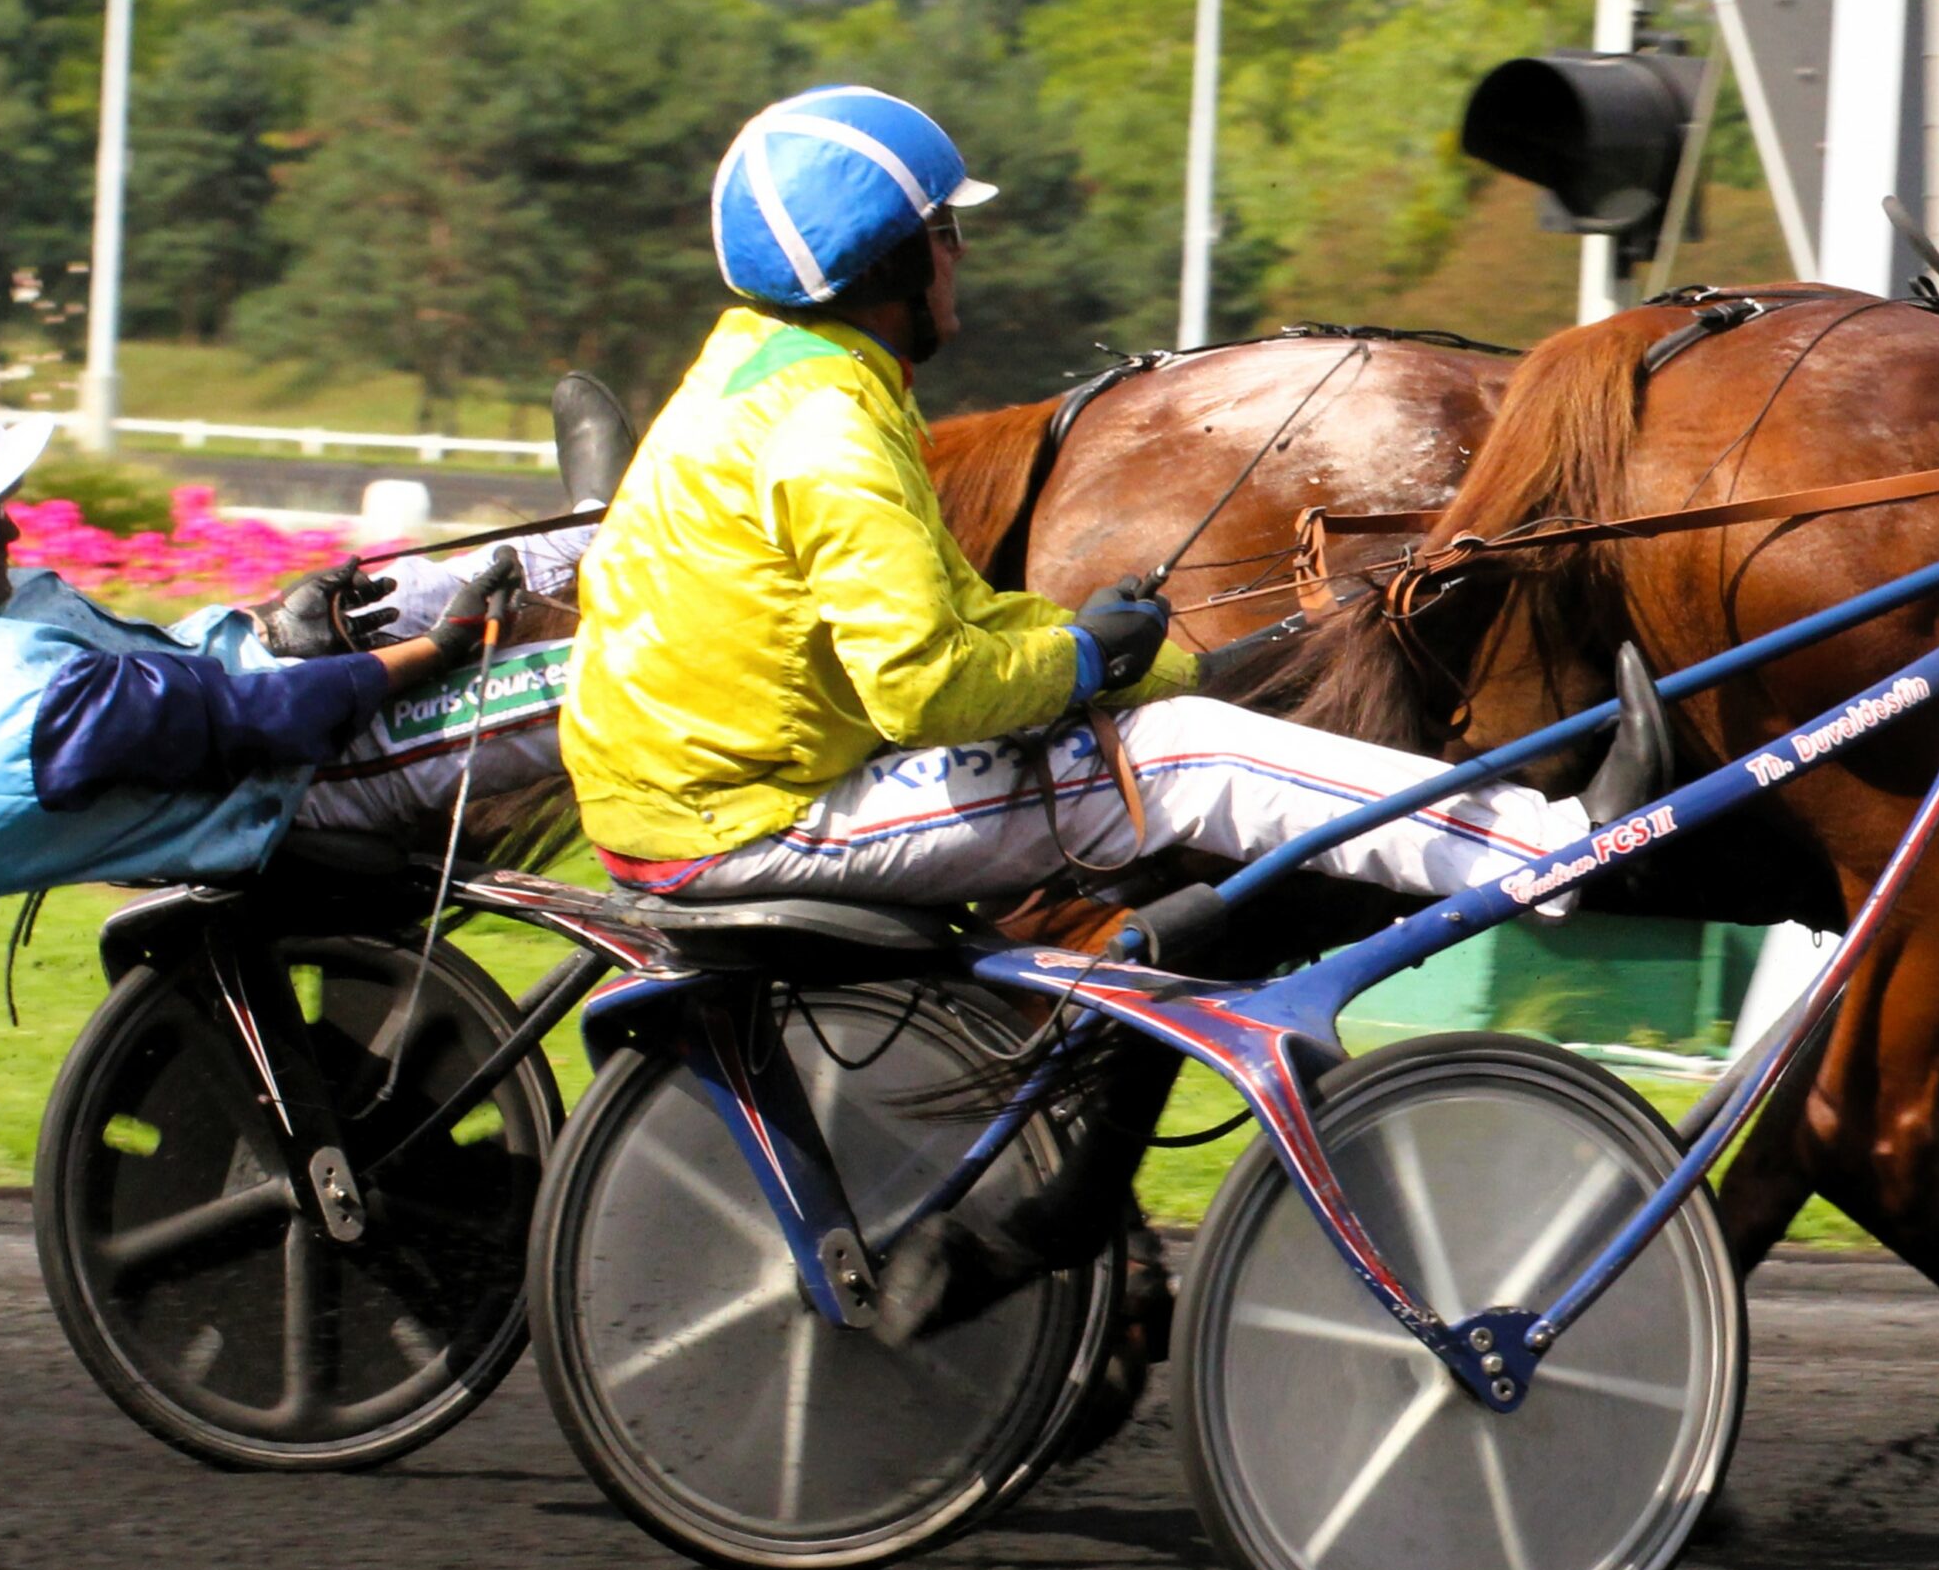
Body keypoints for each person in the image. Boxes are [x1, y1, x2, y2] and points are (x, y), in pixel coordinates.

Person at [560, 84, 1672, 939]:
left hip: (701, 802)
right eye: (949, 234)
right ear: (900, 259)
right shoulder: (831, 432)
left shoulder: (766, 375)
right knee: (1188, 763)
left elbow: (947, 615)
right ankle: (1553, 848)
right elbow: (921, 689)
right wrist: (1090, 665)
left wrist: (1165, 665)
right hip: (748, 827)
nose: (961, 259)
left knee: (1181, 718)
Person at [0, 379, 630, 899]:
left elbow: (157, 683)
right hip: (277, 792)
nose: (11, 531)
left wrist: (273, 630)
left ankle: (595, 537)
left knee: (400, 591)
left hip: (195, 749)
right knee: (594, 680)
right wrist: (433, 655)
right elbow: (255, 720)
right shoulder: (31, 706)